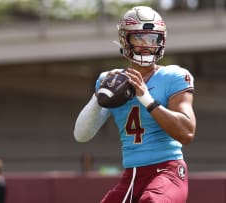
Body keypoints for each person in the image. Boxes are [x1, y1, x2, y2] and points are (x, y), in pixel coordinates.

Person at [74, 6, 196, 203]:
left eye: (152, 38)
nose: (146, 45)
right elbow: (81, 135)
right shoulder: (112, 81)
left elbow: (187, 132)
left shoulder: (173, 76)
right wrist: (99, 97)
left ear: (161, 41)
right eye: (139, 38)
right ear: (125, 40)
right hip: (131, 176)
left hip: (167, 171)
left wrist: (146, 98)